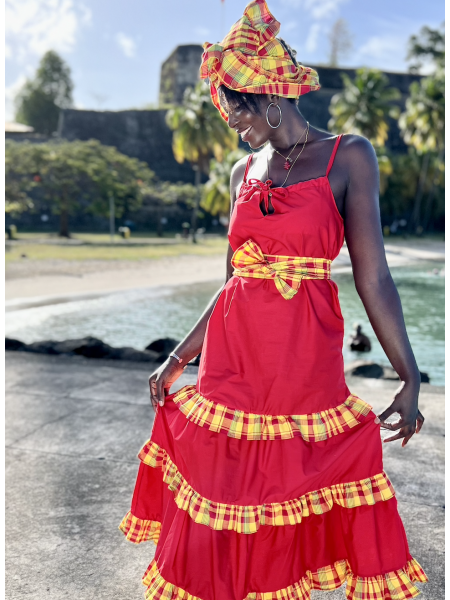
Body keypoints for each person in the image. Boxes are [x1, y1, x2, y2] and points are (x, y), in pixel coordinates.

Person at [120, 1, 428, 598]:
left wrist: (408, 374)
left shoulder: (348, 155)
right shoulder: (243, 172)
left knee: (287, 488)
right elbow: (231, 282)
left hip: (301, 361)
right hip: (232, 361)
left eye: (238, 109)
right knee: (227, 487)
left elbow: (374, 278)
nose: (232, 122)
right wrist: (179, 356)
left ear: (272, 96)